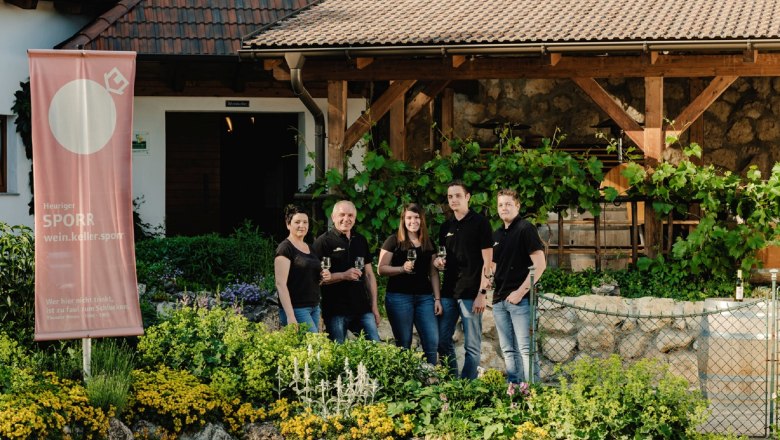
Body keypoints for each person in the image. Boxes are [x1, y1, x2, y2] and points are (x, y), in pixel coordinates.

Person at [433, 181, 493, 379]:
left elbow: (488, 262)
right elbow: (441, 257)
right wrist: (439, 262)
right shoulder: (445, 227)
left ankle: (468, 387)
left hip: (471, 293)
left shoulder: (480, 223)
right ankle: (453, 382)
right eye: (450, 197)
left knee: (472, 346)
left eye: (458, 195)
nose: (453, 200)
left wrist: (482, 293)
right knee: (442, 341)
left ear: (467, 197)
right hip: (449, 292)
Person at [491, 188, 546, 383]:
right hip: (499, 300)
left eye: (507, 203)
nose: (503, 208)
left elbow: (540, 265)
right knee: (508, 350)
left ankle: (534, 393)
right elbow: (495, 267)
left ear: (517, 205)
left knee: (526, 349)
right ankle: (514, 390)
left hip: (520, 301)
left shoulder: (526, 229)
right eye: (500, 205)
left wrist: (520, 292)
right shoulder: (497, 234)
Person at [377, 203, 442, 364]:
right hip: (399, 297)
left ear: (422, 220)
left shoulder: (428, 243)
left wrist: (437, 299)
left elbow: (433, 273)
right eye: (409, 218)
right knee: (404, 343)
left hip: (425, 298)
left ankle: (431, 381)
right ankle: (406, 384)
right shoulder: (394, 240)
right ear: (403, 220)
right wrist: (401, 268)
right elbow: (381, 269)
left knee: (432, 341)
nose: (413, 221)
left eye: (417, 217)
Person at [313, 200, 381, 342]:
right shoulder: (323, 242)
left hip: (362, 308)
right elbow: (316, 279)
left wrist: (374, 306)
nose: (346, 219)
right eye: (342, 215)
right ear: (333, 217)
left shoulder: (360, 240)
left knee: (375, 348)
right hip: (336, 310)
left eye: (350, 215)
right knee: (339, 354)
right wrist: (343, 275)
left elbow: (369, 275)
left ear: (355, 218)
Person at [274, 205, 330, 332]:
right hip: (296, 308)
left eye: (305, 222)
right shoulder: (285, 248)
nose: (302, 225)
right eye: (297, 222)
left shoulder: (310, 248)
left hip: (314, 307)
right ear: (288, 225)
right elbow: (280, 284)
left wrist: (324, 276)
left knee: (312, 349)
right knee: (314, 346)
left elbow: (312, 279)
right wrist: (290, 316)